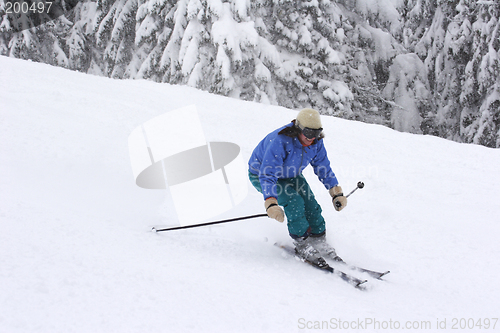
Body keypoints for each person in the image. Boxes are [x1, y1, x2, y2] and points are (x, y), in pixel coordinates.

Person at [248, 108, 347, 267]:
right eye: (308, 133)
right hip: (262, 174)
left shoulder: (316, 142)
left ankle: (318, 240)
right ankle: (301, 243)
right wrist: (271, 202)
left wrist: (336, 192)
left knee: (310, 202)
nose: (311, 138)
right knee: (293, 201)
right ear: (298, 128)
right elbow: (268, 174)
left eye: (316, 133)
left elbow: (323, 167)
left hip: (290, 174)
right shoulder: (280, 141)